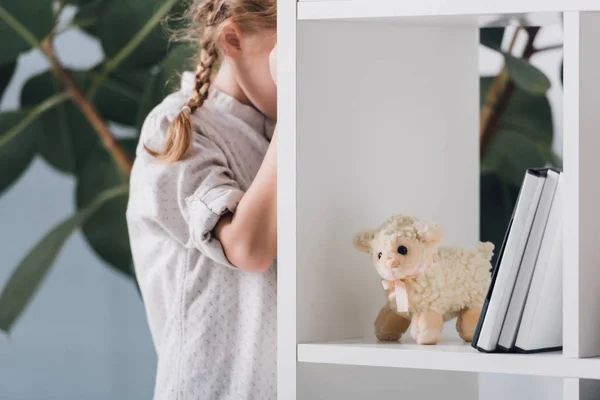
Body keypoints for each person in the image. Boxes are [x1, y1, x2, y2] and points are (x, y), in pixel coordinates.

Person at [126, 0, 277, 398]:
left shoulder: (275, 133)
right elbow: (248, 249)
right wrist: (298, 105)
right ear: (232, 39)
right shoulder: (177, 129)